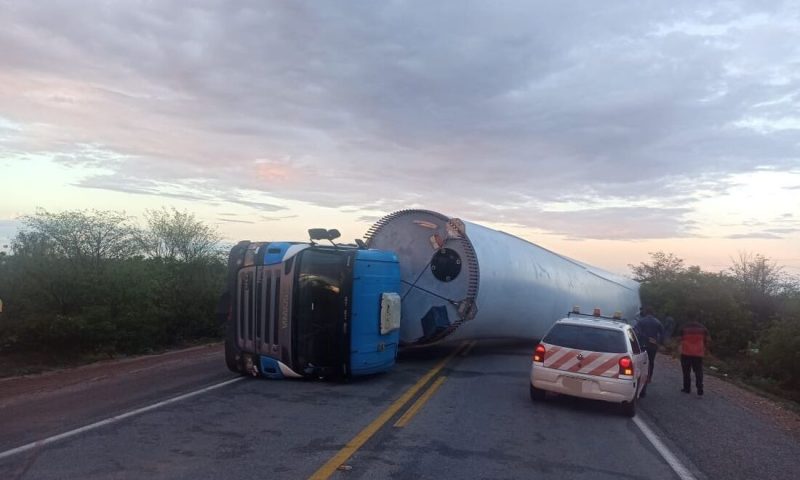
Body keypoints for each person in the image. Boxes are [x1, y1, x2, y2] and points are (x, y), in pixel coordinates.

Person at [679, 318, 711, 396]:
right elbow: (708, 340)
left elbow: (679, 339)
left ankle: (687, 388)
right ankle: (699, 388)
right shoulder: (703, 328)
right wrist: (706, 349)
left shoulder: (684, 327)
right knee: (698, 371)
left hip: (686, 352)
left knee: (686, 371)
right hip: (698, 353)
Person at [634, 306, 664, 385]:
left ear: (645, 313)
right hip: (653, 346)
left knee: (641, 361)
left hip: (642, 345)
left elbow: (636, 332)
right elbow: (662, 334)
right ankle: (649, 378)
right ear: (653, 313)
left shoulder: (641, 321)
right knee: (651, 361)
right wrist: (659, 342)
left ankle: (640, 376)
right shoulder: (657, 322)